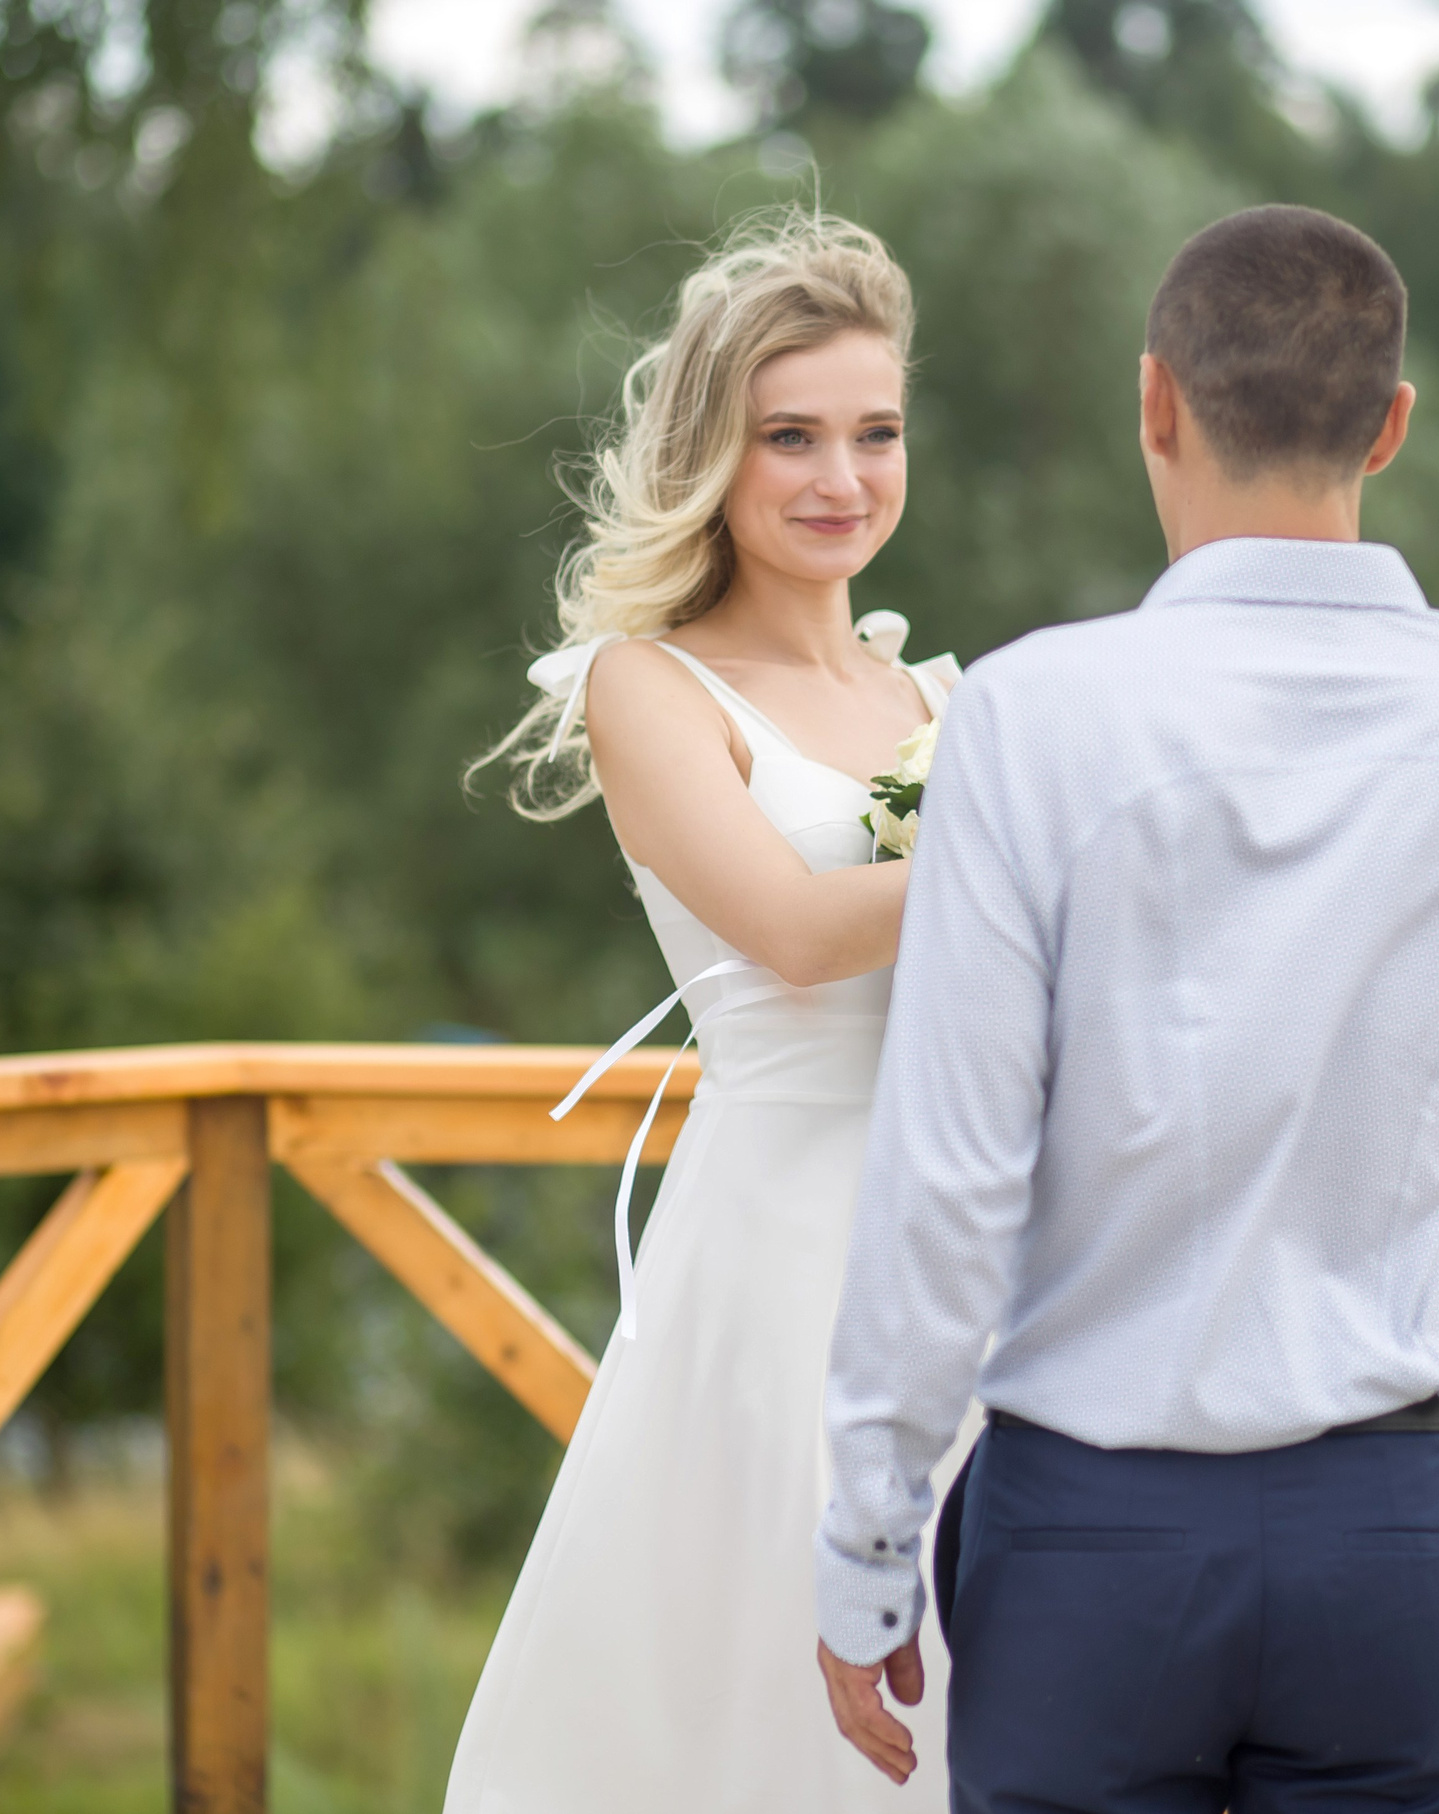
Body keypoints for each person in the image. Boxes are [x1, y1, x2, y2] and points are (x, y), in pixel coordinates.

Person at [814, 204, 1439, 1812]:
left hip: (1095, 1537)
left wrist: (868, 1538)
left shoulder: (1034, 713)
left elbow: (953, 1173)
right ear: (1391, 423)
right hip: (1396, 1534)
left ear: (1155, 404)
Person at [447, 211, 972, 1813]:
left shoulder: (938, 699)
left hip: (963, 1229)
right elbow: (804, 935)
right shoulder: (646, 686)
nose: (842, 477)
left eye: (874, 433)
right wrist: (1033, 859)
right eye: (790, 436)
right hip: (780, 1244)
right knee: (745, 1698)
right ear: (712, 455)